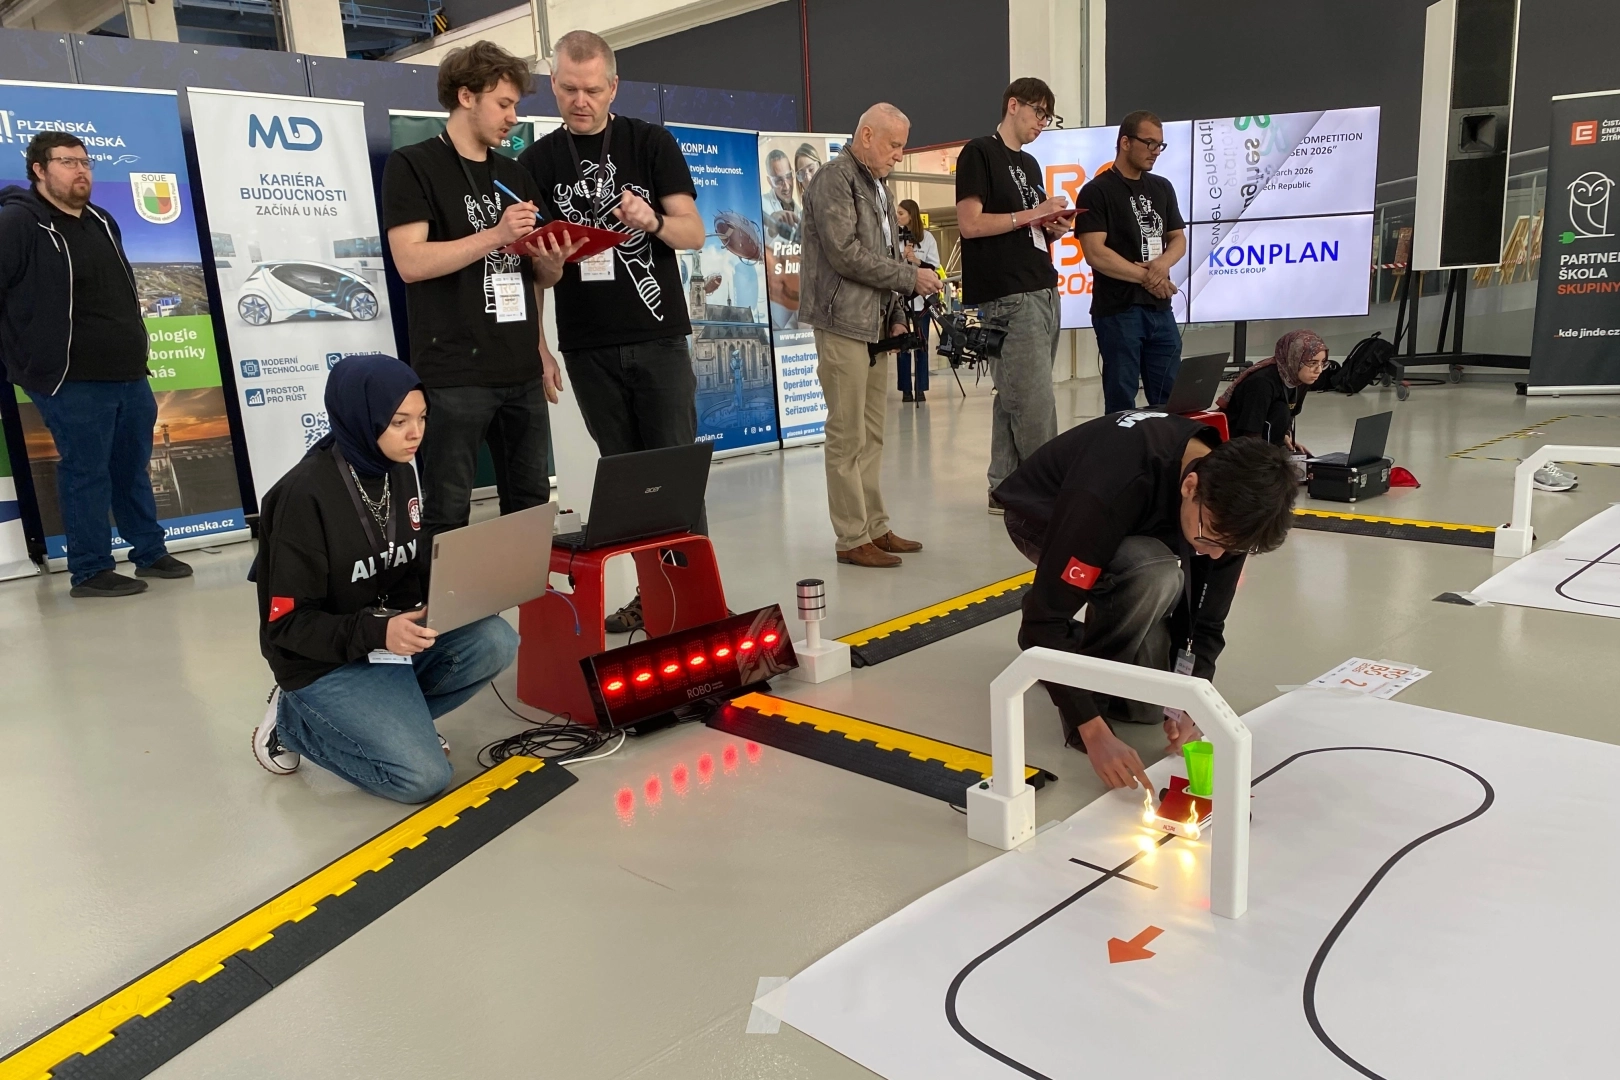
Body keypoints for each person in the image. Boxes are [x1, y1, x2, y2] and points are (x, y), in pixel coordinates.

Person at [250, 354, 519, 804]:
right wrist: (380, 631)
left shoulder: (399, 470)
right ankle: (294, 723)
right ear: (362, 418)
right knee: (422, 779)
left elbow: (401, 565)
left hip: (383, 640)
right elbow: (287, 626)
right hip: (322, 661)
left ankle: (398, 725)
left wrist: (463, 590)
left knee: (495, 639)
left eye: (422, 418)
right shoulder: (302, 497)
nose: (415, 433)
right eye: (398, 422)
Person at [993, 410, 1296, 791]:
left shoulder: (1227, 513)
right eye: (1210, 539)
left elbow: (1207, 621)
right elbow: (1043, 619)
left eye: (1231, 548)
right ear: (1190, 486)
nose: (1216, 555)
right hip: (1045, 514)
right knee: (1153, 572)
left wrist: (1193, 700)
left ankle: (1081, 652)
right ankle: (1088, 685)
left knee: (1149, 709)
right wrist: (1091, 727)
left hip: (1134, 524)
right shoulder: (1113, 485)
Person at [519, 28, 706, 631]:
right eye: (569, 89)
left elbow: (693, 233)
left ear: (614, 87)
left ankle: (695, 603)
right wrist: (540, 339)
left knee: (675, 478)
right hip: (588, 346)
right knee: (628, 486)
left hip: (658, 339)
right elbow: (535, 274)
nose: (581, 101)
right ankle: (653, 598)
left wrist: (651, 219)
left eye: (593, 90)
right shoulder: (537, 161)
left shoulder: (650, 142)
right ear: (553, 85)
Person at [383, 42, 580, 541]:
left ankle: (529, 595)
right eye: (503, 104)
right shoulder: (413, 165)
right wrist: (495, 234)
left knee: (530, 505)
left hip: (520, 367)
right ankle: (443, 598)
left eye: (515, 105)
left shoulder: (514, 174)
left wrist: (552, 267)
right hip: (455, 371)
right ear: (466, 96)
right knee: (449, 511)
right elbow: (410, 262)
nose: (513, 117)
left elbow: (535, 278)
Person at [0, 132, 192, 598]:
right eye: (67, 162)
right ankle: (89, 570)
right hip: (69, 377)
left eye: (85, 162)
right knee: (86, 471)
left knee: (131, 466)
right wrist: (25, 353)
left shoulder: (103, 220)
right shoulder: (19, 222)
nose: (81, 170)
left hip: (128, 372)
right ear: (39, 170)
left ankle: (149, 550)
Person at [799, 103, 942, 568]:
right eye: (894, 145)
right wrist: (910, 279)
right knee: (846, 435)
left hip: (876, 326)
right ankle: (851, 537)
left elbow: (886, 253)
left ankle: (875, 527)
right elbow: (844, 253)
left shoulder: (878, 186)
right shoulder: (834, 179)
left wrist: (897, 311)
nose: (899, 155)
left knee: (873, 435)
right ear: (866, 135)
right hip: (842, 323)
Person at [956, 78, 1075, 513]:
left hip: (1042, 286)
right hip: (1007, 294)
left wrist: (1052, 227)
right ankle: (1046, 492)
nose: (1042, 123)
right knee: (1034, 400)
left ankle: (1005, 487)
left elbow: (1027, 228)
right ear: (1013, 105)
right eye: (1038, 112)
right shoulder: (979, 153)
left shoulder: (1030, 165)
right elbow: (970, 224)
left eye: (1048, 117)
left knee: (1014, 395)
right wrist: (1032, 214)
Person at [1074, 110, 1188, 415]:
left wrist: (1162, 265)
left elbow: (1178, 239)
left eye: (1160, 145)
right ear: (1125, 142)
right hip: (1119, 310)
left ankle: (1166, 445)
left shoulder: (1162, 187)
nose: (1155, 151)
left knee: (1170, 398)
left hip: (1160, 308)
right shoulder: (1097, 191)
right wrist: (1150, 278)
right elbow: (1095, 253)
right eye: (1149, 143)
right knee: (1121, 399)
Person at [1218, 330, 1333, 453]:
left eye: (1323, 363)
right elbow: (1250, 434)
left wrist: (1285, 436)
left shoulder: (1299, 378)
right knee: (1280, 409)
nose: (1319, 370)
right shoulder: (1261, 383)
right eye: (1312, 363)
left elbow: (1290, 414)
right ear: (1295, 358)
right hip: (1238, 446)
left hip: (1267, 443)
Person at [895, 198, 940, 403]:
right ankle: (905, 389)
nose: (897, 217)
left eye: (901, 213)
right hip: (901, 300)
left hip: (922, 301)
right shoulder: (895, 237)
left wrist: (916, 260)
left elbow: (934, 267)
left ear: (911, 215)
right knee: (903, 344)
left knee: (922, 344)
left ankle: (921, 388)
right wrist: (902, 259)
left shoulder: (927, 238)